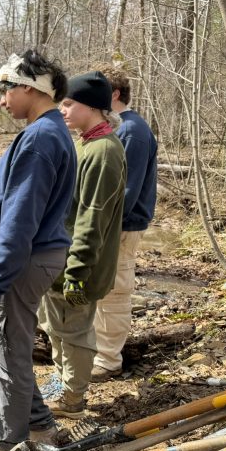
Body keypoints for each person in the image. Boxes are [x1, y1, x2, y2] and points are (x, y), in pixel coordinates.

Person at [0, 50, 77, 451]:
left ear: (31, 87)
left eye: (7, 88)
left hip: (26, 258)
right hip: (38, 256)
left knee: (8, 352)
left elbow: (20, 218)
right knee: (4, 348)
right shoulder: (48, 131)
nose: (2, 98)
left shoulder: (41, 138)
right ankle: (40, 425)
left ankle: (8, 446)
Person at [40, 71, 126, 418]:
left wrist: (76, 271)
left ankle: (73, 399)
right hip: (60, 260)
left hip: (77, 266)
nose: (62, 109)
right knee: (55, 327)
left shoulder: (104, 150)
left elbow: (93, 219)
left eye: (69, 103)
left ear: (92, 106)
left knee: (74, 331)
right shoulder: (84, 143)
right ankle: (62, 381)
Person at [91, 65, 157, 382]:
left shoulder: (132, 131)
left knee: (114, 291)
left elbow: (125, 191)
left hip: (122, 225)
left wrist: (101, 226)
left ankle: (107, 361)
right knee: (100, 289)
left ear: (114, 94)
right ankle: (96, 351)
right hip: (112, 224)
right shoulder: (120, 127)